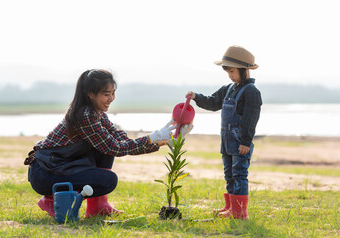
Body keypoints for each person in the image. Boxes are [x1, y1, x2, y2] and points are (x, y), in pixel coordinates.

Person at [24, 69, 193, 218]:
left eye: (113, 93)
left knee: (105, 150)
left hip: (60, 168)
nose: (111, 98)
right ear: (90, 94)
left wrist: (164, 140)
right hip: (45, 174)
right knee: (107, 180)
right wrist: (154, 137)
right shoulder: (85, 115)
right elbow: (116, 148)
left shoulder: (98, 114)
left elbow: (122, 140)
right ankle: (52, 199)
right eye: (106, 94)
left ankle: (97, 207)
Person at [186, 46, 262, 219]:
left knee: (239, 174)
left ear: (244, 70)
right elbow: (213, 103)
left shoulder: (251, 92)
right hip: (227, 141)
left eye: (232, 71)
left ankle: (239, 211)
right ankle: (230, 207)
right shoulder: (228, 88)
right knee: (229, 175)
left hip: (240, 142)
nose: (230, 75)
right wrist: (196, 97)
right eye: (228, 71)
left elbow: (251, 119)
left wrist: (245, 142)